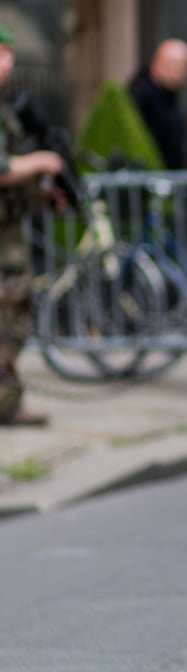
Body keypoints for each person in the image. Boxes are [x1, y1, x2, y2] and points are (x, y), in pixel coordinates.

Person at [0, 24, 65, 425]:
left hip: (9, 235)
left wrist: (38, 194)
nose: (8, 62)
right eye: (1, 53)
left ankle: (7, 401)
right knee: (11, 320)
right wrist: (41, 162)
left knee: (13, 318)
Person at [127, 39, 187, 169]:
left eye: (182, 66)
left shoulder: (172, 97)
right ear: (157, 63)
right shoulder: (141, 95)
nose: (178, 71)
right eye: (172, 64)